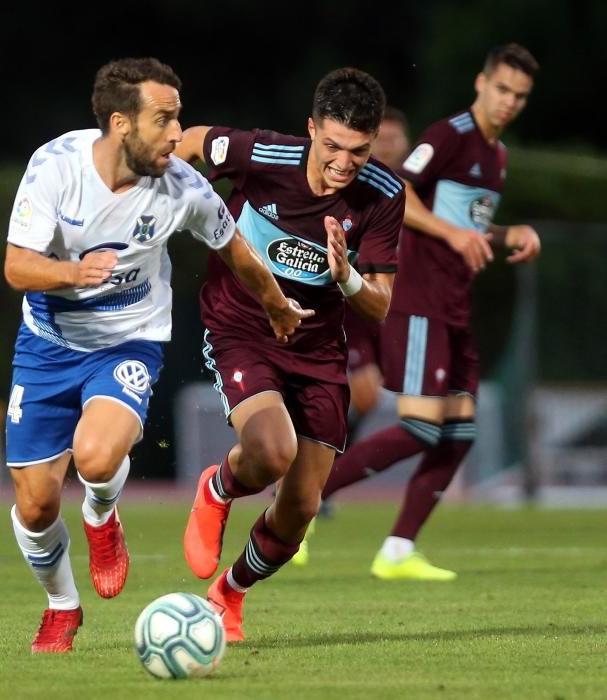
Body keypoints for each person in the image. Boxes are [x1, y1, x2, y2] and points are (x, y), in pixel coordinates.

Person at [3, 56, 310, 654]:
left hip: (128, 339)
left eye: (179, 118)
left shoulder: (183, 188)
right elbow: (17, 265)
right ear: (121, 123)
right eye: (164, 120)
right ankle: (62, 606)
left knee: (94, 458)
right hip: (46, 344)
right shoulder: (55, 167)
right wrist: (72, 271)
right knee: (36, 505)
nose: (178, 135)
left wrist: (275, 304)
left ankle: (101, 513)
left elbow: (237, 250)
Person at [175, 67, 405, 641]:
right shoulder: (263, 155)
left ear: (372, 142)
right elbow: (190, 141)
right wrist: (150, 194)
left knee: (300, 508)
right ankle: (219, 487)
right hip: (242, 328)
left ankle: (229, 593)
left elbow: (379, 307)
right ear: (310, 130)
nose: (342, 163)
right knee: (271, 452)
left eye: (357, 150)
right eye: (331, 146)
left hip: (320, 354)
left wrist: (347, 277)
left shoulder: (383, 195)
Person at [322, 43, 541, 581]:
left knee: (459, 434)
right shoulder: (449, 135)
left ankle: (398, 549)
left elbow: (464, 225)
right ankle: (304, 494)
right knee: (422, 428)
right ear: (481, 84)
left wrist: (508, 232)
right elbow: (402, 192)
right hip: (419, 299)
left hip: (455, 306)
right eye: (502, 89)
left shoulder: (498, 156)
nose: (509, 101)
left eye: (520, 95)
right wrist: (454, 234)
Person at [313, 106, 412, 529]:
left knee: (369, 397)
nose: (388, 147)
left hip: (390, 313)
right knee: (366, 394)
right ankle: (314, 482)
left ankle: (315, 480)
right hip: (354, 310)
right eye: (381, 140)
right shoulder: (357, 190)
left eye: (393, 140)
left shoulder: (408, 190)